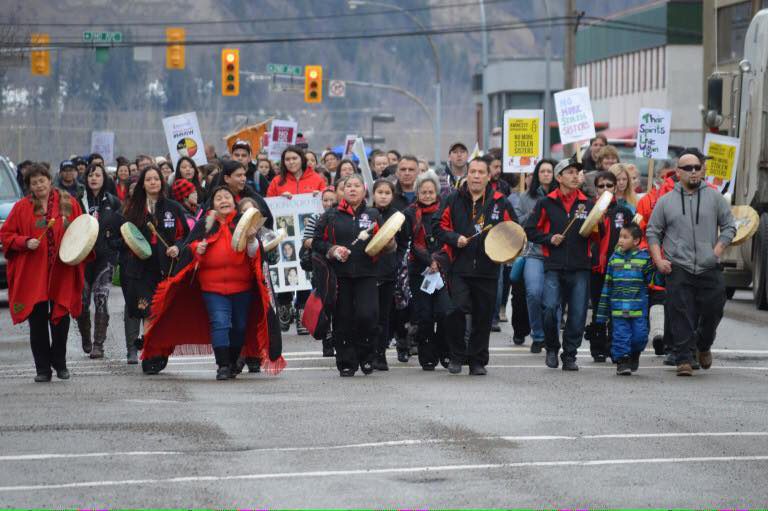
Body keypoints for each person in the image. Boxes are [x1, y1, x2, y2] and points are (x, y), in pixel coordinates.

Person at [142, 186, 285, 380]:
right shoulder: (204, 225)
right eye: (219, 198)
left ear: (234, 202)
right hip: (213, 289)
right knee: (220, 323)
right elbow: (186, 250)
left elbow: (255, 256)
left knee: (240, 326)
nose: (224, 200)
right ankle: (223, 365)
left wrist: (251, 239)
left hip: (242, 288)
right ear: (213, 204)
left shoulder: (243, 223)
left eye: (227, 196)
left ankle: (234, 362)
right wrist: (195, 249)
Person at [646, 148, 736, 376]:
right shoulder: (666, 201)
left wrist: (716, 251)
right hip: (679, 266)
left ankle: (704, 345)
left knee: (714, 308)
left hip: (708, 265)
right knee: (680, 311)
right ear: (678, 172)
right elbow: (653, 232)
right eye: (688, 168)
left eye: (697, 167)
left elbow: (729, 227)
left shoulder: (715, 197)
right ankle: (684, 358)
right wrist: (659, 260)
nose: (694, 172)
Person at [0, 163, 88, 382]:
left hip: (62, 271)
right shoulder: (21, 208)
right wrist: (23, 242)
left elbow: (82, 231)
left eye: (42, 181)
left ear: (50, 180)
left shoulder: (69, 203)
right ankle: (42, 369)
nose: (39, 185)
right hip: (33, 274)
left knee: (61, 317)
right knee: (37, 321)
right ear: (29, 186)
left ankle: (60, 363)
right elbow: (6, 235)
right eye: (34, 182)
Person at [434, 157, 518, 375]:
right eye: (473, 172)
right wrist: (454, 238)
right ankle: (456, 355)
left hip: (488, 268)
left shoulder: (501, 201)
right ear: (467, 174)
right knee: (455, 310)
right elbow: (437, 227)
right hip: (458, 267)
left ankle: (477, 361)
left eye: (481, 172)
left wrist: (508, 252)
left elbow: (514, 231)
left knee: (483, 316)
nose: (477, 176)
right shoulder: (452, 199)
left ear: (488, 176)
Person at [524, 157, 599, 371]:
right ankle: (551, 347)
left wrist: (597, 227)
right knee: (548, 308)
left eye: (577, 172)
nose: (576, 176)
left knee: (577, 314)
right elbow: (530, 230)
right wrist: (549, 238)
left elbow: (597, 235)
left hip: (580, 266)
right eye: (570, 172)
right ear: (559, 177)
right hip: (553, 266)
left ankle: (570, 354)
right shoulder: (546, 202)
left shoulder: (587, 203)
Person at [312, 174, 385, 377]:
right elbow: (316, 242)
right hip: (340, 275)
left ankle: (367, 356)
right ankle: (346, 360)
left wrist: (388, 242)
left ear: (364, 190)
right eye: (348, 186)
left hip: (367, 274)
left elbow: (386, 242)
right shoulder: (331, 215)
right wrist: (333, 249)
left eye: (356, 186)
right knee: (343, 318)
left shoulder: (373, 214)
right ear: (342, 191)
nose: (352, 189)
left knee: (368, 316)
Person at [119, 166, 190, 371]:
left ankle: (159, 350)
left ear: (161, 182)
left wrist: (178, 247)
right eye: (148, 179)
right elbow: (125, 234)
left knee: (162, 312)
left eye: (156, 179)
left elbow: (184, 234)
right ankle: (150, 354)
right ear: (142, 183)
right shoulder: (132, 208)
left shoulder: (173, 208)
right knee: (148, 311)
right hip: (140, 269)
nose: (152, 182)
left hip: (166, 267)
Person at [266, 146, 325, 332]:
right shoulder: (277, 181)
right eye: (287, 159)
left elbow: (327, 202)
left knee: (305, 269)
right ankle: (284, 308)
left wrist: (319, 197)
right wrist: (279, 200)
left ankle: (301, 313)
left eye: (294, 158)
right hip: (285, 234)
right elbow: (268, 207)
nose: (291, 162)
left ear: (302, 159)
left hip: (307, 234)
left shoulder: (317, 179)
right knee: (285, 267)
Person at [583, 171, 633, 362]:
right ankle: (597, 347)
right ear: (596, 188)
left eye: (609, 185)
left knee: (616, 308)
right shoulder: (589, 209)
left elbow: (632, 238)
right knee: (598, 307)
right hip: (595, 266)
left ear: (616, 187)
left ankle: (615, 346)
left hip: (618, 266)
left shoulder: (623, 212)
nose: (605, 189)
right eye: (601, 186)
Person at [404, 170, 450, 370]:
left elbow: (449, 236)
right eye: (424, 192)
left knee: (444, 312)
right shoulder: (410, 213)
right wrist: (428, 260)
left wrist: (437, 260)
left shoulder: (445, 210)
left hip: (443, 268)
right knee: (425, 316)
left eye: (431, 192)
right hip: (419, 270)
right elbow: (410, 242)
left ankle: (445, 351)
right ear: (417, 192)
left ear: (437, 192)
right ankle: (427, 356)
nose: (428, 195)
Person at [76, 163, 122, 359]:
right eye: (91, 175)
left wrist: (114, 244)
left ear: (104, 179)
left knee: (101, 299)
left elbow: (124, 228)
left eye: (98, 175)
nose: (94, 178)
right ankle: (86, 337)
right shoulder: (78, 201)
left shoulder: (113, 201)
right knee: (82, 302)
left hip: (105, 258)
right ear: (86, 178)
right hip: (82, 258)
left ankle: (98, 344)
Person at [596, 224, 654, 375]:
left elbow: (653, 281)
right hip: (618, 310)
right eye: (620, 236)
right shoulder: (614, 260)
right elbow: (607, 286)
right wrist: (602, 314)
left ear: (636, 241)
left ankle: (634, 354)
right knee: (621, 336)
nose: (620, 240)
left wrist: (659, 268)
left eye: (625, 237)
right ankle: (622, 361)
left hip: (638, 310)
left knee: (640, 337)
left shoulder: (644, 258)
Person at [516, 159, 557, 353]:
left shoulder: (561, 197)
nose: (546, 174)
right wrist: (535, 212)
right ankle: (538, 334)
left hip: (556, 254)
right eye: (543, 171)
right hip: (534, 252)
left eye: (550, 171)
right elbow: (517, 223)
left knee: (553, 299)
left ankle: (552, 337)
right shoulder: (525, 198)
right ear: (537, 175)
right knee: (533, 293)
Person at [371, 179, 407, 371]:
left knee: (383, 316)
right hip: (368, 272)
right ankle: (368, 350)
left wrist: (396, 261)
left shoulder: (398, 217)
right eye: (380, 192)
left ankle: (380, 354)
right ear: (373, 194)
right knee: (369, 314)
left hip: (388, 273)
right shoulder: (368, 214)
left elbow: (403, 243)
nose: (383, 196)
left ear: (392, 195)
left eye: (387, 192)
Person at [302, 187, 339, 357]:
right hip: (321, 265)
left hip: (340, 265)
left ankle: (341, 338)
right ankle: (327, 340)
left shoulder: (342, 217)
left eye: (332, 200)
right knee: (326, 304)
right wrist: (325, 246)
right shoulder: (315, 219)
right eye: (325, 200)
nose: (329, 203)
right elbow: (307, 241)